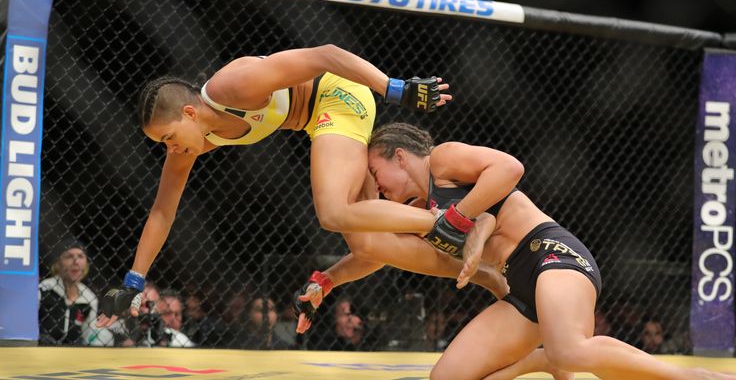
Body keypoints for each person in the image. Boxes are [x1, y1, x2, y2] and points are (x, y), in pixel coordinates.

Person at [96, 44, 506, 328]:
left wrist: (394, 88)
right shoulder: (188, 148)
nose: (171, 149)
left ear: (189, 112)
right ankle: (483, 273)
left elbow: (324, 55)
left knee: (332, 211)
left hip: (338, 94)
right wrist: (133, 281)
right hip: (317, 121)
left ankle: (450, 219)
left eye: (169, 137)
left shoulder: (231, 88)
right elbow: (162, 211)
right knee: (368, 245)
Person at [347, 122, 735, 380]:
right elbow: (371, 250)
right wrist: (327, 280)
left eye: (375, 172)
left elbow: (509, 168)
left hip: (552, 253)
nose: (377, 186)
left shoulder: (442, 160)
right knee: (446, 378)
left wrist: (463, 217)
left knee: (570, 352)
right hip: (518, 288)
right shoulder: (419, 212)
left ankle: (691, 378)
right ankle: (539, 360)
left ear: (399, 155)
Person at [38, 238, 102, 346]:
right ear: (58, 263)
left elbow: (89, 335)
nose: (76, 261)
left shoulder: (89, 297)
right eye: (69, 256)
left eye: (81, 256)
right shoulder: (44, 289)